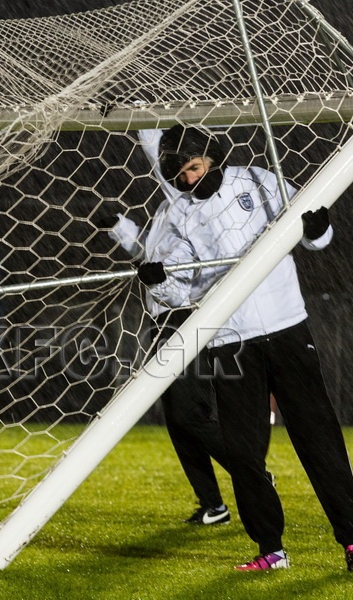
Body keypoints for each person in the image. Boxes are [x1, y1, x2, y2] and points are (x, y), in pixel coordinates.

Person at [136, 125, 353, 572]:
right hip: (230, 340)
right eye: (181, 175)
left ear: (213, 156)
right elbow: (181, 289)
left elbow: (312, 233)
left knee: (318, 436)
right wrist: (159, 281)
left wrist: (319, 228)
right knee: (244, 451)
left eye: (194, 167)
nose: (190, 179)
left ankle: (352, 540)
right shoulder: (179, 214)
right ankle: (270, 548)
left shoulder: (260, 180)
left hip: (288, 327)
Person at [105, 129, 235, 526]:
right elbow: (151, 257)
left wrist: (145, 123)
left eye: (190, 166)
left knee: (191, 414)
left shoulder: (196, 208)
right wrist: (120, 229)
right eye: (177, 168)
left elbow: (182, 270)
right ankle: (213, 504)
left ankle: (250, 471)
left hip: (188, 315)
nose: (182, 175)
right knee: (179, 418)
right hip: (163, 318)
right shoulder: (168, 210)